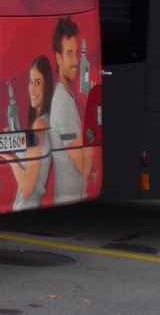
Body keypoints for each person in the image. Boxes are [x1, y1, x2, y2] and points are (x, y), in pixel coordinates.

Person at [49, 17, 95, 203]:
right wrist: (92, 104)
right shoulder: (63, 105)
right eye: (69, 54)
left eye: (77, 53)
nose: (76, 60)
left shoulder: (67, 96)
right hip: (69, 202)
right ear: (58, 58)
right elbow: (85, 166)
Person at [2, 56, 53, 210]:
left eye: (38, 83)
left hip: (25, 205)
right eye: (30, 82)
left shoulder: (40, 124)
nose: (32, 89)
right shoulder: (42, 121)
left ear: (47, 86)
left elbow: (27, 188)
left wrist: (9, 158)